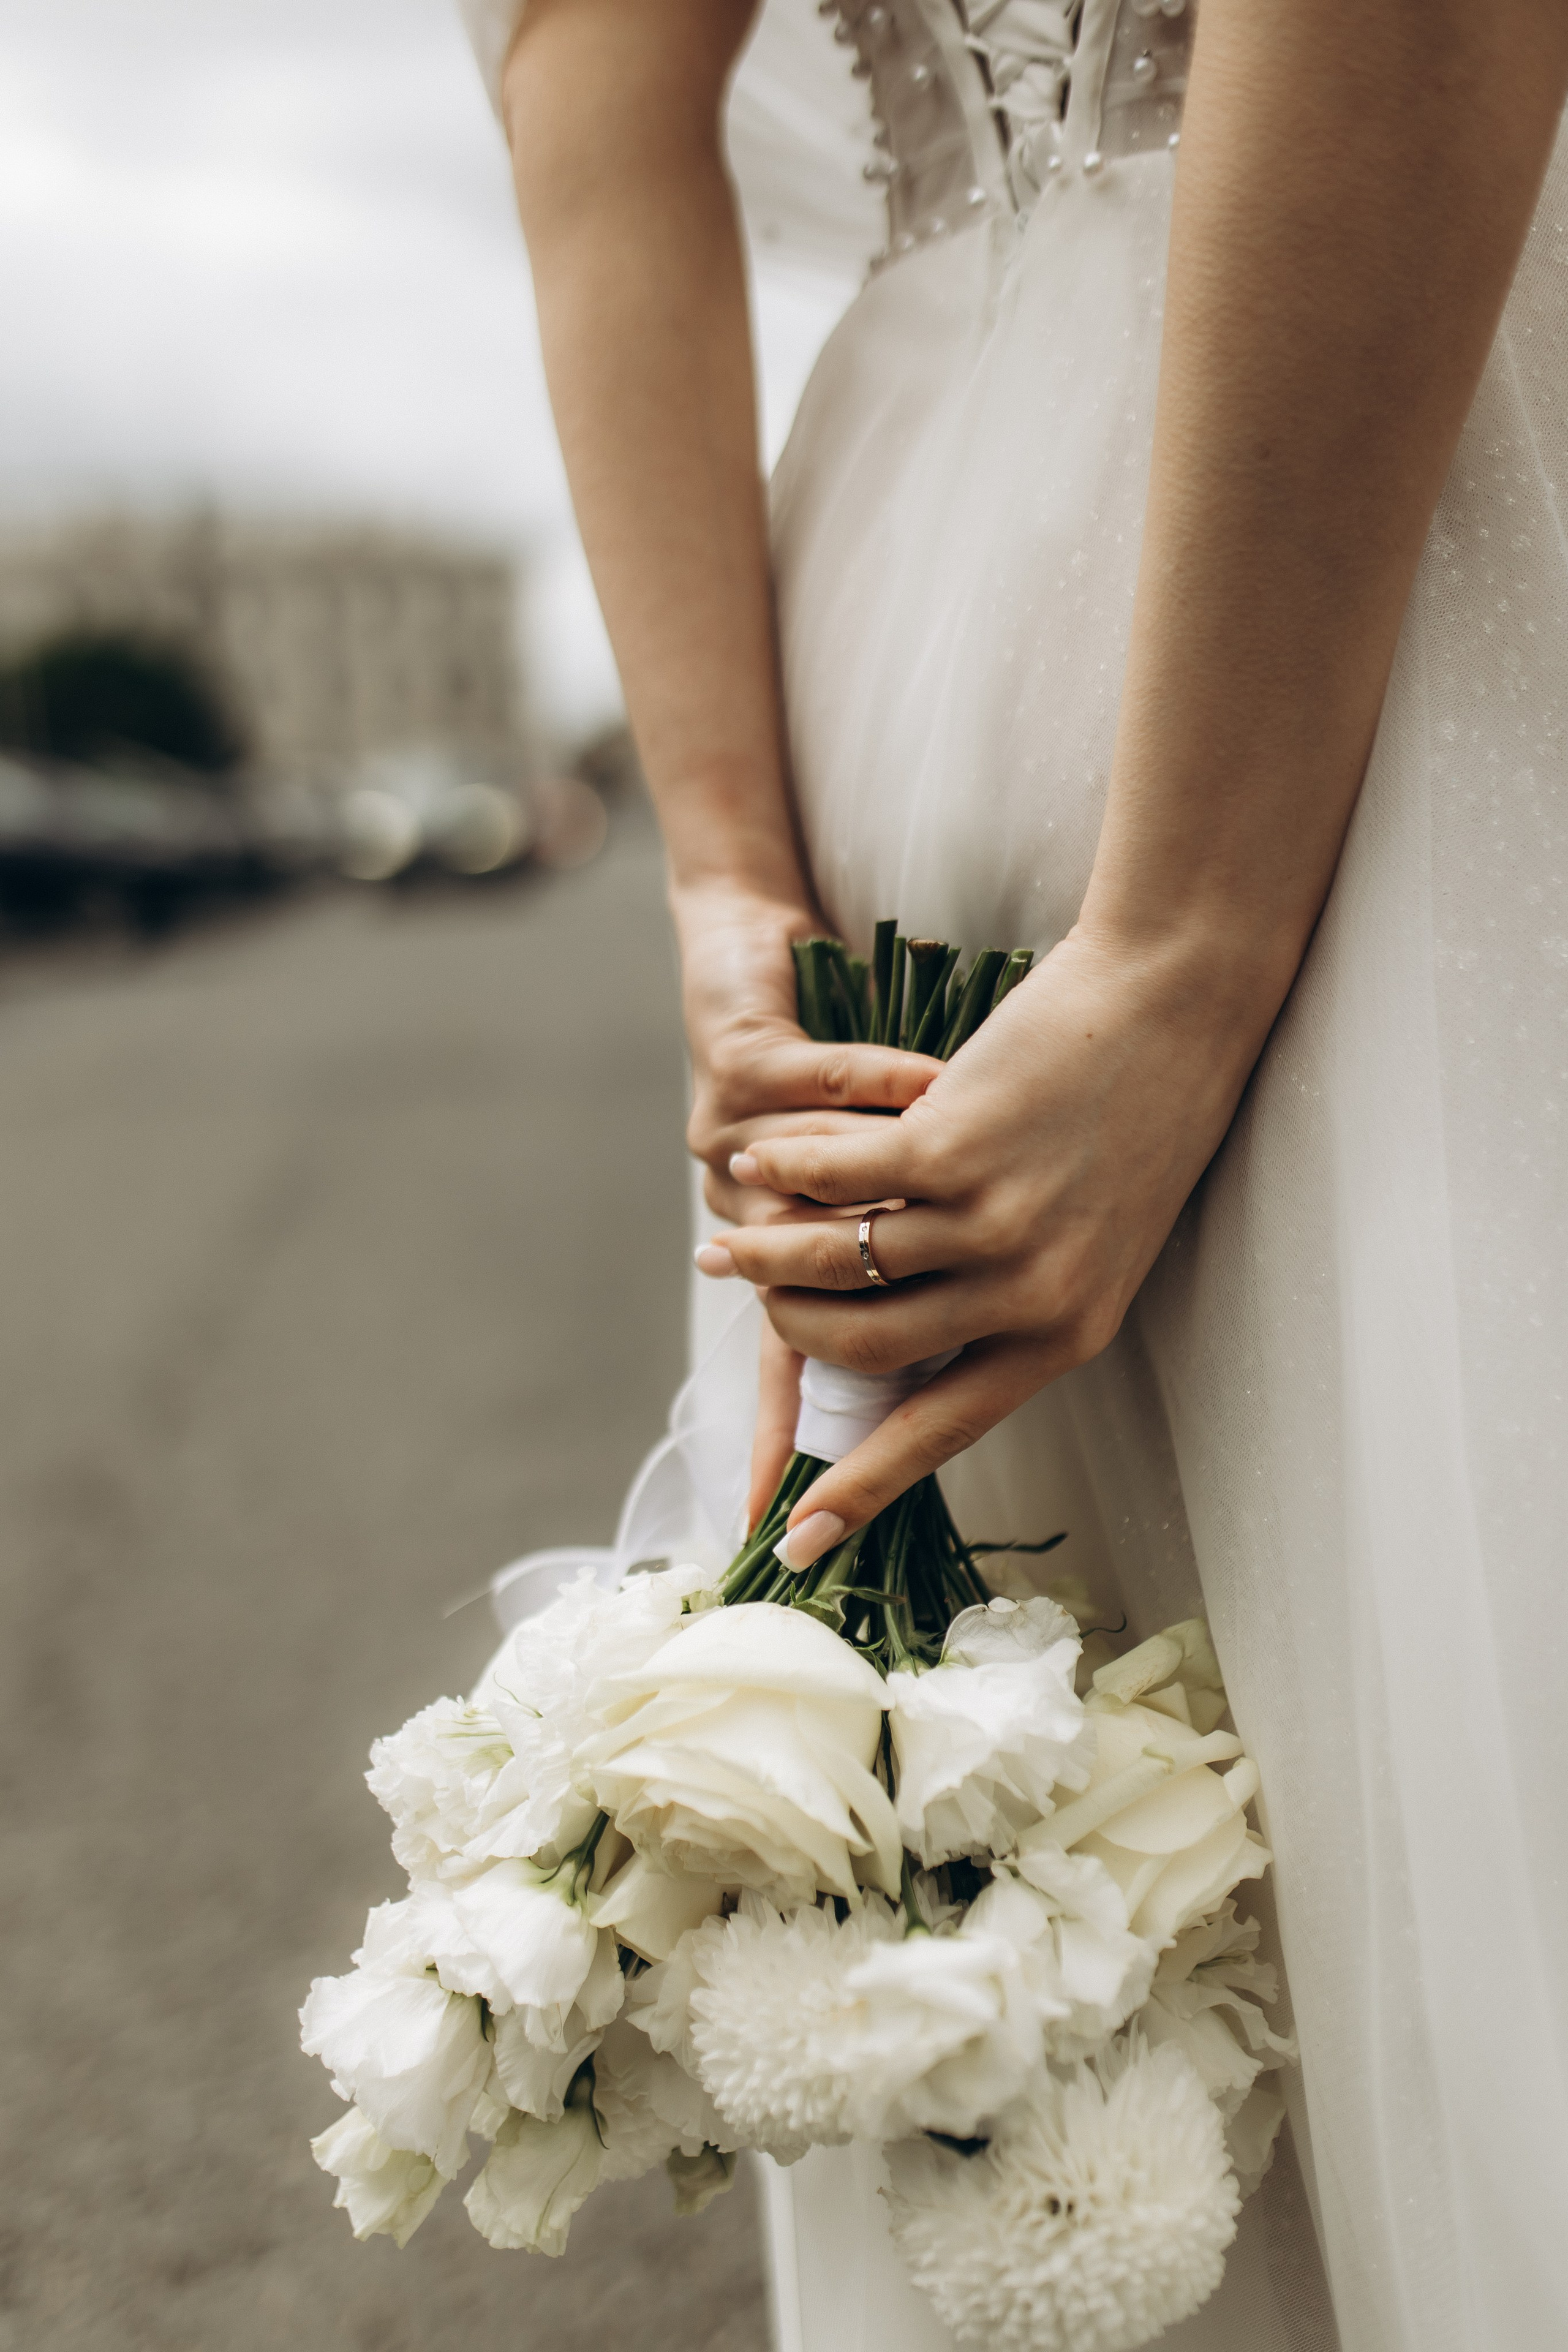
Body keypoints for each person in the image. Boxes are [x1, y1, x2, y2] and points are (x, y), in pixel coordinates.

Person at [459, 2, 1568, 2345]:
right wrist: (1161, 936)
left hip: (973, 557)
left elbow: (586, 61)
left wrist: (739, 861)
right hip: (1374, 447)